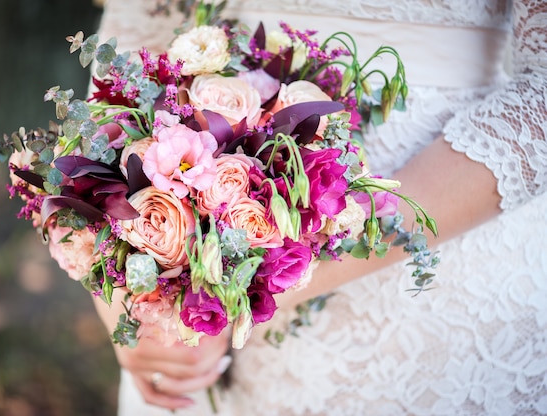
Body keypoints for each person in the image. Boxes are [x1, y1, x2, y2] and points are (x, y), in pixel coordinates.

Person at [90, 0, 547, 414]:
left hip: (440, 277)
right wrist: (130, 296)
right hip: (197, 299)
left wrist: (249, 287)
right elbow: (133, 48)